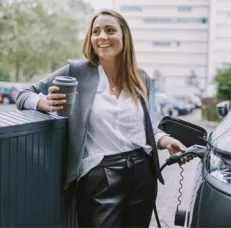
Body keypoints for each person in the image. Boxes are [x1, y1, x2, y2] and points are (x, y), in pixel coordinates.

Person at [16, 9, 191, 227]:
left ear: (124, 37)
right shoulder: (76, 71)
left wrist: (164, 140)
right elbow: (23, 94)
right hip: (100, 176)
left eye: (110, 30)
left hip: (142, 173)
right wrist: (43, 103)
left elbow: (143, 128)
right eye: (96, 31)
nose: (102, 36)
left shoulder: (140, 77)